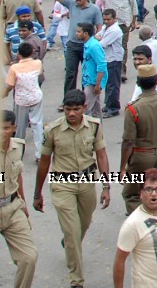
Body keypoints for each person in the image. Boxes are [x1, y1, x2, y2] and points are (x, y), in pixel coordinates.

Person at [34, 89, 111, 288]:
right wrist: (37, 193)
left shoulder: (94, 127)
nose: (71, 114)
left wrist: (106, 186)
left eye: (76, 109)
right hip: (62, 185)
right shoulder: (52, 130)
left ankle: (70, 243)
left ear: (84, 108)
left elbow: (101, 155)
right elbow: (44, 163)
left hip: (86, 183)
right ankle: (76, 279)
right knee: (72, 231)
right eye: (68, 109)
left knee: (83, 224)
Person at [119, 63, 157, 213]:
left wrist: (122, 167)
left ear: (138, 83)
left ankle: (143, 221)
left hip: (141, 156)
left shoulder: (133, 108)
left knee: (132, 193)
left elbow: (128, 142)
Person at [0, 111, 37, 288]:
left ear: (14, 128)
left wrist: (23, 203)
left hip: (13, 207)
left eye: (6, 128)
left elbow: (18, 177)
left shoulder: (19, 147)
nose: (1, 132)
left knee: (28, 258)